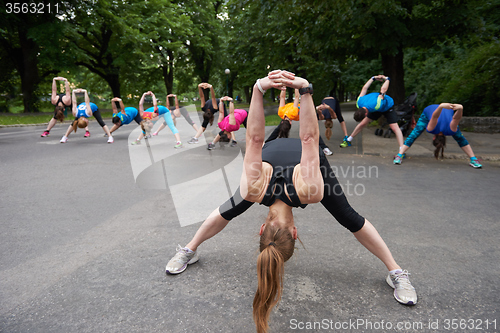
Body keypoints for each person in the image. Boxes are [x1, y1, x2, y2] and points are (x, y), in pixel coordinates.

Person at [165, 70, 417, 333]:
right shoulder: (268, 189)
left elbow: (298, 139)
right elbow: (270, 139)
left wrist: (303, 90)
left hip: (284, 161)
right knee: (347, 217)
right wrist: (262, 89)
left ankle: (189, 250)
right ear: (264, 229)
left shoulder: (299, 191)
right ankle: (396, 272)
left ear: (295, 233)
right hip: (279, 158)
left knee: (233, 209)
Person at [393, 103, 482, 168]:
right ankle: (473, 159)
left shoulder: (450, 130)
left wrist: (458, 108)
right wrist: (459, 108)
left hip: (434, 110)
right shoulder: (442, 130)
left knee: (415, 134)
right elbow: (451, 118)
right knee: (460, 138)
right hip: (439, 109)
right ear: (434, 137)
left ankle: (399, 156)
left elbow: (454, 118)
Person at [340, 75, 404, 150]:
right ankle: (348, 140)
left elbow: (383, 90)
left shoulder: (377, 105)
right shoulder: (359, 103)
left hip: (387, 106)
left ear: (366, 114)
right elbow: (364, 88)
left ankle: (402, 149)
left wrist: (387, 79)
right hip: (372, 107)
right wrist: (373, 78)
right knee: (362, 123)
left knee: (394, 127)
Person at [268, 89, 333, 155]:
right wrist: (285, 88)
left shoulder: (293, 113)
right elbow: (285, 97)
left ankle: (267, 142)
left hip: (305, 112)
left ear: (291, 123)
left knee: (281, 128)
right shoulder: (280, 113)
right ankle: (324, 148)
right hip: (301, 111)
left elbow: (296, 97)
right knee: (311, 129)